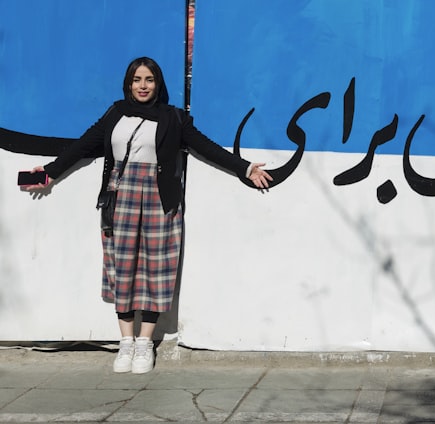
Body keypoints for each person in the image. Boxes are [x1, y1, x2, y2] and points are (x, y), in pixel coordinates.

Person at [23, 57, 272, 374]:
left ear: (158, 84)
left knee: (156, 268)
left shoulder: (174, 118)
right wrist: (49, 172)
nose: (143, 86)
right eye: (137, 79)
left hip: (159, 200)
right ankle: (125, 342)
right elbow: (83, 145)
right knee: (122, 266)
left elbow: (206, 147)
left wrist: (245, 168)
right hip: (121, 198)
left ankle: (145, 343)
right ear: (128, 83)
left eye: (149, 79)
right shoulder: (115, 113)